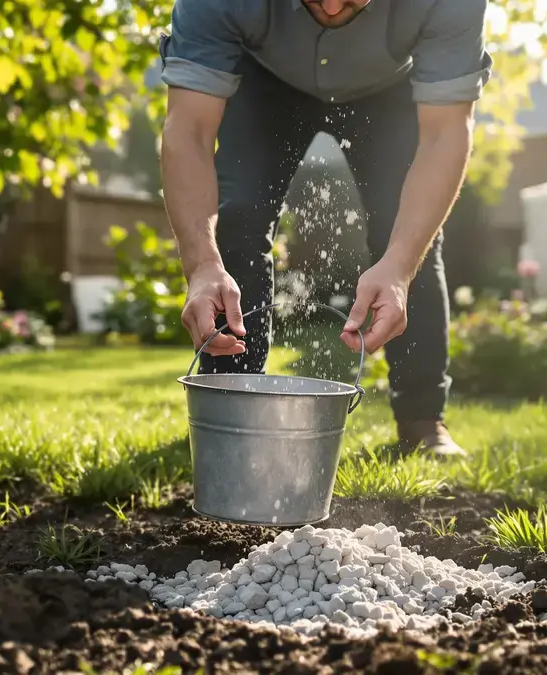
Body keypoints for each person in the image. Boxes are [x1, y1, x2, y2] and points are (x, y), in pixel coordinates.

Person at [159, 0, 491, 457]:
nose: (332, 7)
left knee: (409, 236)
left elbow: (444, 135)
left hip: (391, 87)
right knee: (236, 221)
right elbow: (188, 129)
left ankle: (422, 420)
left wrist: (398, 266)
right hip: (261, 80)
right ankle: (230, 415)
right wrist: (200, 264)